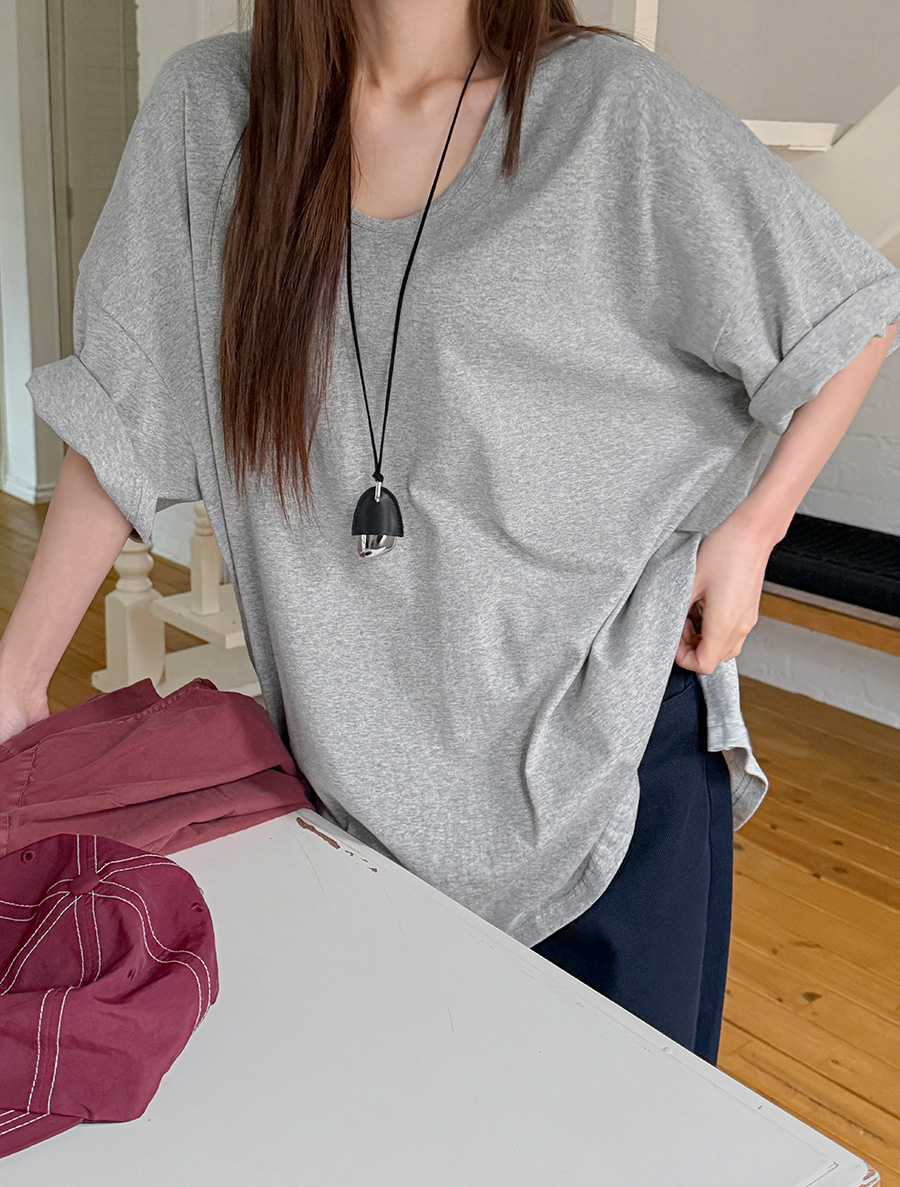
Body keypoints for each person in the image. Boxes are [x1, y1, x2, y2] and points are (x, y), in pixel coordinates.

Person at [2, 1, 898, 1069]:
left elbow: (848, 316)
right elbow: (122, 411)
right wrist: (18, 676)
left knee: (620, 1140)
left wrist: (751, 535)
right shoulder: (212, 112)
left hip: (607, 756)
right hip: (350, 774)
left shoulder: (608, 109)